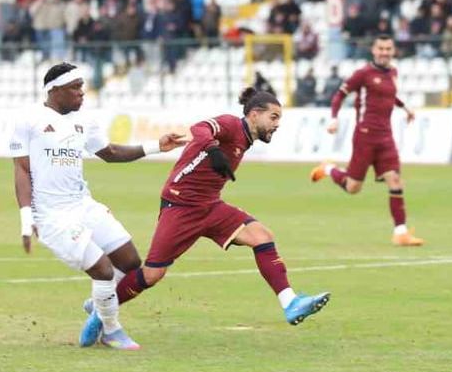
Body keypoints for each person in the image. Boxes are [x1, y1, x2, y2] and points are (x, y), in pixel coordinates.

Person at [105, 87, 330, 330]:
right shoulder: (231, 124)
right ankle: (102, 308)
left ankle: (290, 303)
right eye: (273, 117)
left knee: (262, 236)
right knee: (152, 275)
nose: (277, 124)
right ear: (254, 114)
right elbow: (200, 128)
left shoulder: (246, 139)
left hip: (210, 206)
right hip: (180, 206)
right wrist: (213, 150)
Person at [14, 63, 188, 350]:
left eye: (82, 87)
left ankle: (99, 305)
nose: (82, 93)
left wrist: (156, 146)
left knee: (130, 262)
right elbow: (21, 169)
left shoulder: (84, 121)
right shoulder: (28, 120)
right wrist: (25, 217)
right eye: (75, 87)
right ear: (55, 90)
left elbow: (110, 152)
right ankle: (110, 330)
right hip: (52, 216)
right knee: (103, 270)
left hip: (82, 204)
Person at [310, 35, 423, 247]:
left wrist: (405, 108)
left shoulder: (393, 72)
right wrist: (334, 118)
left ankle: (401, 233)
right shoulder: (363, 74)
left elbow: (390, 95)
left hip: (386, 136)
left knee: (395, 180)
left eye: (388, 49)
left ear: (393, 51)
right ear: (374, 50)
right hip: (365, 136)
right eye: (381, 48)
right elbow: (339, 95)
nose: (384, 52)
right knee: (353, 187)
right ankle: (328, 169)